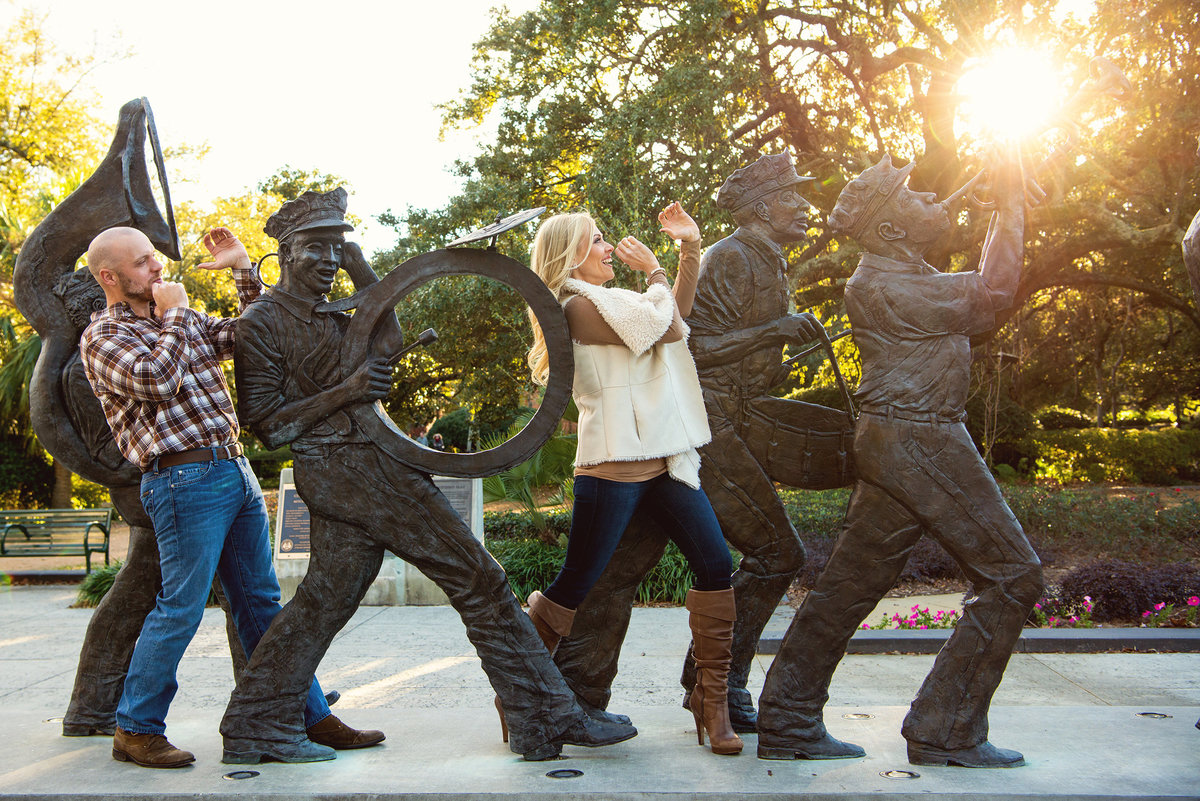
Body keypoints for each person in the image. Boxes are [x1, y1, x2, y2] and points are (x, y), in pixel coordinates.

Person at [220, 188, 636, 762]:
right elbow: (267, 425)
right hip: (347, 470)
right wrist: (347, 390)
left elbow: (388, 342)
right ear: (286, 253)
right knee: (480, 580)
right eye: (315, 248)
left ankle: (256, 722)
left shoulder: (342, 312)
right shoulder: (260, 324)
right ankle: (546, 715)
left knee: (324, 602)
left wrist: (369, 275)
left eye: (336, 248)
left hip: (372, 464)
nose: (328, 260)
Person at [756, 153, 1045, 767]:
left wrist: (1003, 207)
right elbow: (992, 292)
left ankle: (787, 714)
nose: (931, 201)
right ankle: (945, 728)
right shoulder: (885, 282)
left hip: (904, 440)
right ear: (890, 228)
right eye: (913, 198)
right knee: (1013, 574)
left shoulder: (903, 272)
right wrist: (1011, 203)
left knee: (848, 584)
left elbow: (978, 303)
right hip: (920, 440)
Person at [552, 153, 840, 733]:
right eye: (793, 197)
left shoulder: (756, 259)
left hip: (669, 440)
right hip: (694, 430)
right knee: (776, 553)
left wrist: (686, 254)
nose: (806, 208)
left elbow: (676, 321)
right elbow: (682, 340)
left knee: (621, 568)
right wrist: (768, 331)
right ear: (762, 207)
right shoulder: (725, 261)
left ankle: (574, 695)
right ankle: (711, 690)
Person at [79, 225, 380, 768]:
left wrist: (244, 270)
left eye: (155, 259)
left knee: (262, 603)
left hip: (232, 471)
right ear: (111, 277)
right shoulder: (102, 337)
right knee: (181, 608)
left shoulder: (182, 320)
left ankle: (306, 714)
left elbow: (250, 336)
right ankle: (135, 729)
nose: (158, 269)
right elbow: (156, 381)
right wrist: (175, 314)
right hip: (181, 481)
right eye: (144, 263)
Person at [523, 204, 741, 755]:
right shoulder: (574, 308)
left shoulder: (615, 304)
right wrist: (656, 272)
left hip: (665, 458)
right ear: (571, 254)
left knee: (716, 565)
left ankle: (710, 703)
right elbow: (665, 323)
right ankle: (520, 695)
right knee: (574, 584)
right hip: (613, 464)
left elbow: (676, 319)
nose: (606, 247)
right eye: (596, 241)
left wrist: (688, 248)